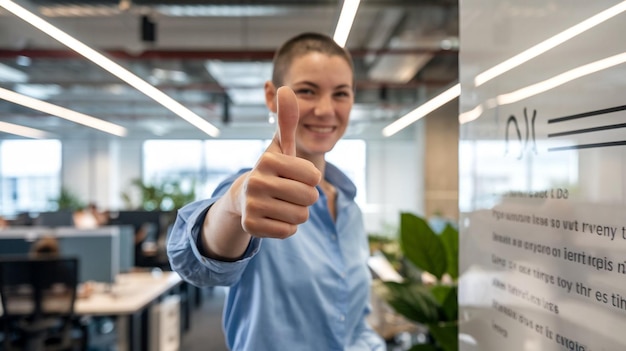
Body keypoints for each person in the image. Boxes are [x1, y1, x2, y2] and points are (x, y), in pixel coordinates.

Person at [167, 32, 385, 351]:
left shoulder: (350, 208)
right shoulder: (254, 193)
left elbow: (353, 321)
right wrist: (232, 207)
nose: (326, 110)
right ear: (272, 96)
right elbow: (197, 264)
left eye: (341, 94)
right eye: (308, 91)